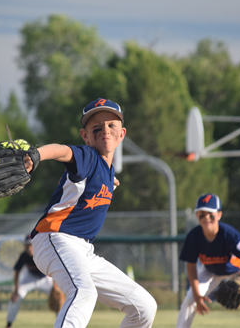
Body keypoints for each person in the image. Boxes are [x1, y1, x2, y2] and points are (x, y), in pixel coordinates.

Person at [23, 98, 157, 328]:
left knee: (144, 307)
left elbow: (83, 185)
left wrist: (109, 180)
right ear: (85, 136)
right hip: (55, 237)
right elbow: (63, 151)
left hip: (83, 251)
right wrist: (37, 155)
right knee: (83, 292)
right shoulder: (88, 157)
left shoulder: (106, 170)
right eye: (96, 128)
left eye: (111, 125)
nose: (104, 130)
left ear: (122, 133)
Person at [177, 193, 240, 328]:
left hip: (237, 270)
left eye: (210, 213)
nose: (206, 217)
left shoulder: (229, 234)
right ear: (197, 216)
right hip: (211, 271)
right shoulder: (193, 237)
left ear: (219, 215)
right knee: (190, 299)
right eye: (202, 213)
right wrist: (197, 295)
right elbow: (191, 266)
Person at [5, 235, 59, 328]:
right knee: (15, 298)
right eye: (27, 245)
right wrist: (16, 289)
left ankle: (62, 325)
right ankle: (8, 325)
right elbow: (16, 271)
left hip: (45, 278)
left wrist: (55, 286)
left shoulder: (43, 254)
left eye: (31, 245)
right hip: (30, 277)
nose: (29, 248)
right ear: (24, 246)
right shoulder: (23, 256)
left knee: (58, 299)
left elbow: (54, 268)